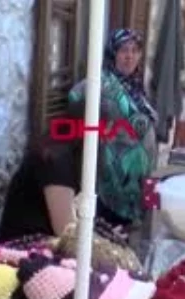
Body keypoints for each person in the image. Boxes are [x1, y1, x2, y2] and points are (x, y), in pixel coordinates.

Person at [0, 97, 131, 246]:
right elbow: (66, 231)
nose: (111, 139)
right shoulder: (57, 160)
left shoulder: (74, 156)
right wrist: (105, 241)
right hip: (25, 247)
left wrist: (106, 234)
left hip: (49, 243)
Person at [66, 28, 157, 233]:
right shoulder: (103, 82)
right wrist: (98, 128)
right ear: (113, 53)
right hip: (112, 178)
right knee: (110, 236)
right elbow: (74, 97)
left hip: (137, 178)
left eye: (135, 51)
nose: (129, 56)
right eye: (124, 50)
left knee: (130, 234)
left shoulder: (136, 86)